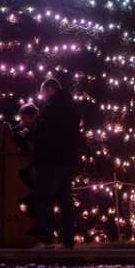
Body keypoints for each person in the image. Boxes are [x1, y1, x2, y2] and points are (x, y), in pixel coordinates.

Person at [32, 78, 81, 248]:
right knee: (65, 200)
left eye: (43, 92)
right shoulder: (71, 106)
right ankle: (68, 238)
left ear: (50, 90)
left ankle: (46, 237)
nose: (43, 96)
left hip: (51, 160)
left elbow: (42, 133)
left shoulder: (51, 108)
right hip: (68, 161)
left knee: (44, 200)